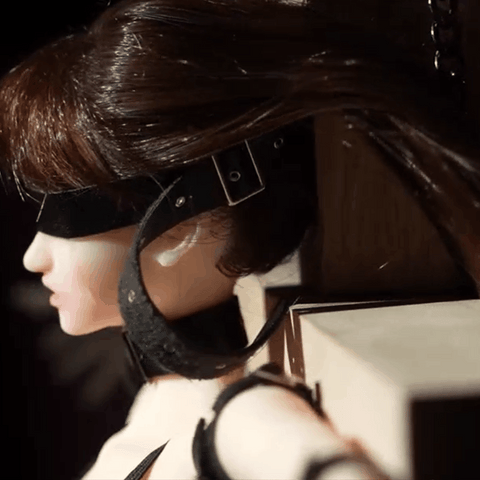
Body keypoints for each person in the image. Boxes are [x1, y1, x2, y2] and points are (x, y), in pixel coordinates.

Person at [1, 0, 479, 478]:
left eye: (60, 212)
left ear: (181, 226)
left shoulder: (242, 425)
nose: (33, 257)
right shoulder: (161, 403)